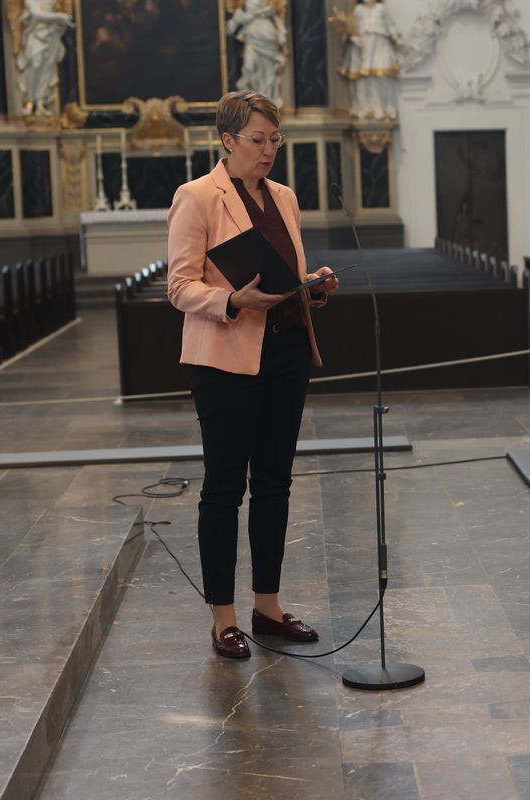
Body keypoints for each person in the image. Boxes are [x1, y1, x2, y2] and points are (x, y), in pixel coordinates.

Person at [167, 90, 340, 659]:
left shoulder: (285, 197)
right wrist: (231, 301)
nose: (269, 151)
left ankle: (268, 606)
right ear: (227, 140)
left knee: (274, 483)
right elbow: (180, 287)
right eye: (258, 140)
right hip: (225, 358)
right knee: (223, 488)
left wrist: (310, 287)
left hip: (286, 351)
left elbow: (281, 277)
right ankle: (223, 617)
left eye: (275, 140)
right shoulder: (197, 197)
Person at [337, 0, 401, 121]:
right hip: (360, 46)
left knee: (379, 76)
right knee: (362, 78)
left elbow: (390, 25)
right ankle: (365, 108)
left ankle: (381, 108)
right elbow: (352, 26)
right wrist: (351, 34)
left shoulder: (381, 8)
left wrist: (396, 38)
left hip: (379, 44)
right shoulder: (358, 9)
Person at [14, 0, 73, 116]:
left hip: (52, 34)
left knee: (47, 68)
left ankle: (40, 101)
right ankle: (30, 100)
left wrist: (62, 19)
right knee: (35, 65)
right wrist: (59, 17)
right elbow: (36, 14)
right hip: (35, 34)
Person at [228, 0, 287, 102]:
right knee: (248, 68)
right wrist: (237, 20)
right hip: (251, 37)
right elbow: (237, 16)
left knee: (269, 72)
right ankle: (254, 100)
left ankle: (268, 102)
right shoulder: (244, 10)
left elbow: (276, 18)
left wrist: (283, 41)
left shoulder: (268, 8)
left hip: (267, 35)